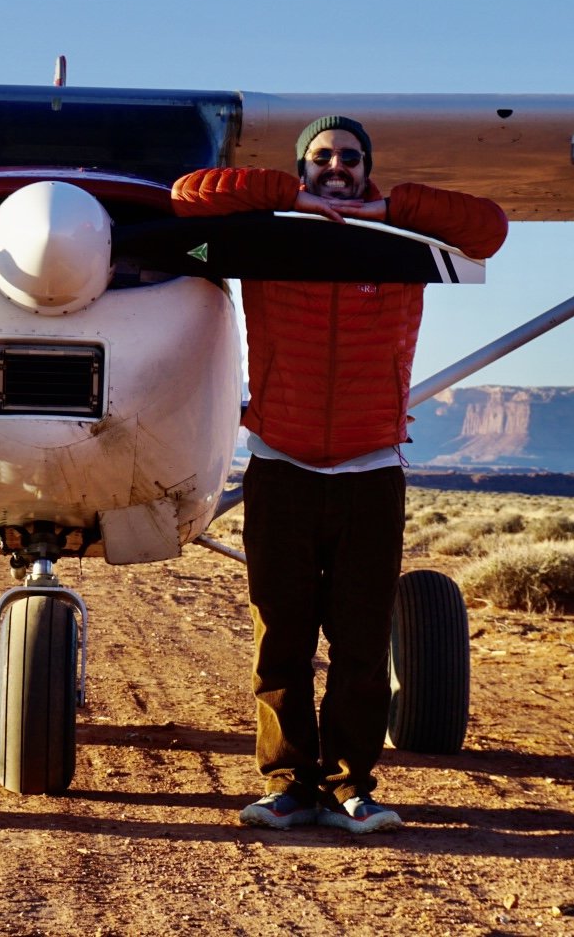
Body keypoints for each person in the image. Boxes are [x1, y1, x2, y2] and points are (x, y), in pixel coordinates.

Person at [172, 116, 507, 832]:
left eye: (349, 159)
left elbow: (488, 228)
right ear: (304, 166)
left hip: (370, 467)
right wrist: (288, 198)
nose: (336, 167)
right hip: (280, 464)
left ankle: (352, 788)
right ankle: (289, 785)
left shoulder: (402, 239)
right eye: (321, 157)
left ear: (367, 168)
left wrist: (386, 211)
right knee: (281, 637)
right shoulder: (269, 232)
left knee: (360, 640)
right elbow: (188, 198)